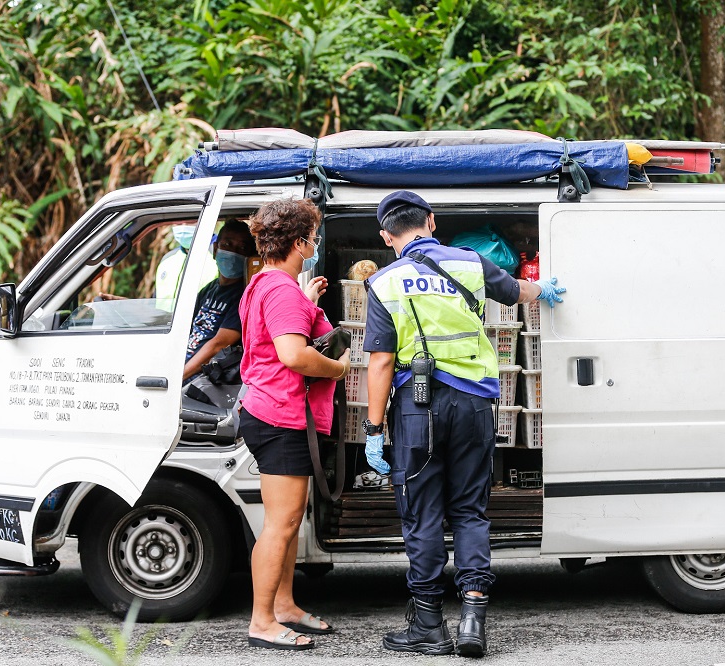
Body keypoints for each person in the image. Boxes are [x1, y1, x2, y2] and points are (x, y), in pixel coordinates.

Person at [362, 191, 565, 658]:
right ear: (431, 222)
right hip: (474, 403)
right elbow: (518, 291)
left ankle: (429, 626)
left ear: (386, 236)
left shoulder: (385, 282)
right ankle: (473, 616)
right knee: (470, 511)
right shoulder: (470, 263)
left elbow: (379, 362)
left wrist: (375, 430)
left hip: (418, 408)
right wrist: (546, 290)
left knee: (423, 513)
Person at [239, 198, 352, 651]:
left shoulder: (265, 284)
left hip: (270, 410)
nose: (315, 242)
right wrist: (340, 369)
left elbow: (275, 341)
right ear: (300, 241)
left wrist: (306, 304)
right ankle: (262, 620)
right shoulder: (281, 290)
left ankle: (283, 605)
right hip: (280, 415)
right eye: (313, 234)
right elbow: (292, 355)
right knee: (281, 525)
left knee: (285, 521)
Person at [182, 219, 256, 383]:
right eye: (227, 244)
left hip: (202, 381)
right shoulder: (209, 290)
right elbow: (185, 329)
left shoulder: (245, 295)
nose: (233, 252)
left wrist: (178, 377)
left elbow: (219, 344)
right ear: (216, 249)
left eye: (241, 248)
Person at [155, 224, 219, 307]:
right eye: (179, 222)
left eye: (189, 222)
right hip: (163, 319)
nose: (183, 226)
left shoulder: (220, 257)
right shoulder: (167, 259)